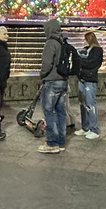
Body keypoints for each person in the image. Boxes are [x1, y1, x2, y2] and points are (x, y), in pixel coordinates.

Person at [37, 18, 71, 155]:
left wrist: (42, 75)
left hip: (52, 81)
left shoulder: (51, 43)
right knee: (61, 112)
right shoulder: (62, 41)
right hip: (63, 81)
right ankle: (61, 142)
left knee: (49, 112)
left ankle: (52, 143)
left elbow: (47, 64)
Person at [74, 30, 103, 139]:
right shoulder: (86, 49)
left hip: (90, 80)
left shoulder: (98, 51)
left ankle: (94, 129)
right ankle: (85, 127)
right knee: (83, 104)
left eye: (87, 39)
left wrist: (80, 62)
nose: (86, 41)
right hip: (82, 79)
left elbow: (92, 63)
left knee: (91, 104)